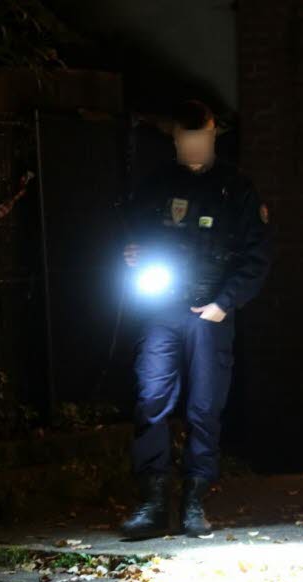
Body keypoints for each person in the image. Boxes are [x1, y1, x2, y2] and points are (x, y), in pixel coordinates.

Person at [119, 100, 272, 538]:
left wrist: (224, 303)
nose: (193, 149)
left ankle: (193, 502)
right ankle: (152, 503)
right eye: (185, 142)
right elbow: (135, 234)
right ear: (175, 140)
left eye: (199, 140)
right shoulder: (156, 185)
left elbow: (257, 255)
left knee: (205, 406)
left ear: (212, 137)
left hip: (210, 310)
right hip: (161, 308)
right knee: (151, 398)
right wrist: (134, 255)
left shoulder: (236, 188)